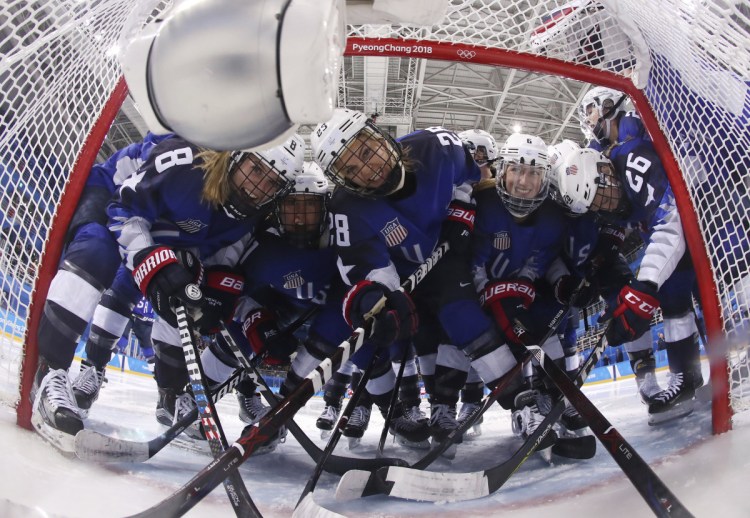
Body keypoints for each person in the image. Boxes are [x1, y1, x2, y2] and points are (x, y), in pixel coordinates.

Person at [311, 109, 493, 449]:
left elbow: (468, 175)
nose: (367, 171)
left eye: (366, 153)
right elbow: (367, 268)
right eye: (351, 170)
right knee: (382, 329)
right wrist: (388, 296)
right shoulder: (346, 207)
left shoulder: (432, 145)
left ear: (379, 135)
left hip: (443, 262)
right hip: (401, 271)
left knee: (449, 326)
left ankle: (450, 405)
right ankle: (398, 411)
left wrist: (460, 210)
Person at [102, 133, 304, 438]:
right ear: (237, 155)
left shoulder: (260, 211)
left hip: (201, 258)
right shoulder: (190, 165)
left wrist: (223, 291)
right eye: (257, 169)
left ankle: (181, 395)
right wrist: (153, 258)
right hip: (151, 238)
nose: (260, 186)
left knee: (202, 304)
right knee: (170, 288)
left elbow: (234, 252)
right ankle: (157, 387)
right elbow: (126, 205)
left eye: (273, 183)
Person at [29, 132, 169, 452]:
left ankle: (94, 369)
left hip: (150, 218)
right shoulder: (187, 138)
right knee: (97, 249)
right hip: (111, 190)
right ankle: (51, 370)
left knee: (138, 281)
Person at [558, 136, 704, 424]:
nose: (602, 205)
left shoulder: (632, 161)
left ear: (604, 170)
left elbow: (670, 221)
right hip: (691, 231)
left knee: (708, 288)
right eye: (594, 204)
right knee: (674, 297)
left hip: (713, 211)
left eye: (599, 195)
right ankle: (686, 377)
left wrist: (644, 286)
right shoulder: (611, 190)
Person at [470, 133, 569, 451]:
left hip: (519, 292)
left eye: (534, 173)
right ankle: (521, 407)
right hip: (477, 294)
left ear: (545, 178)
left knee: (544, 327)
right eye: (516, 170)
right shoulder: (482, 203)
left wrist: (520, 291)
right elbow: (474, 266)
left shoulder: (552, 216)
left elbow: (537, 260)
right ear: (503, 170)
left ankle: (554, 399)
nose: (524, 181)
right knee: (476, 335)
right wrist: (495, 296)